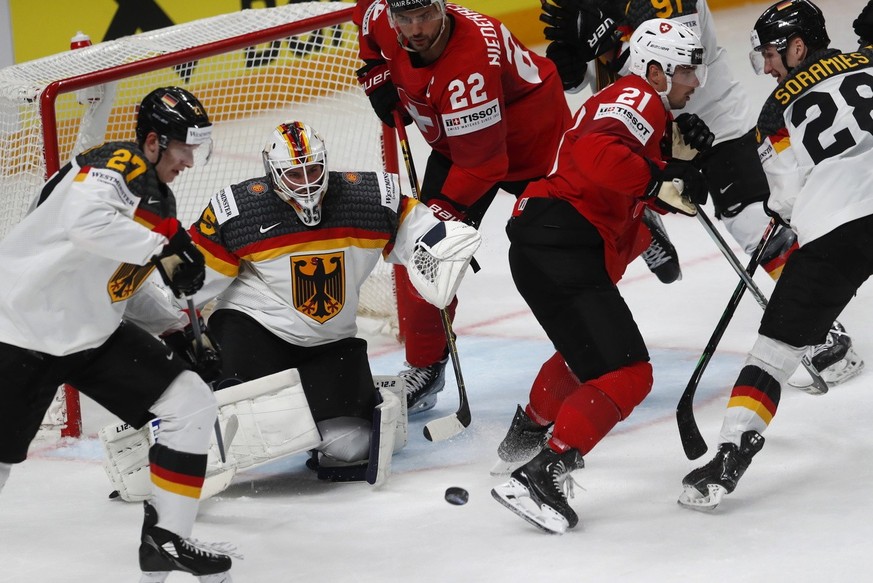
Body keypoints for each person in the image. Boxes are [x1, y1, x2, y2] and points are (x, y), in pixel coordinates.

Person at [541, 0, 863, 385]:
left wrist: (608, 42)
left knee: (754, 223)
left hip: (714, 123)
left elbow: (681, 55)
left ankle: (822, 327)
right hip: (643, 133)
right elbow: (591, 76)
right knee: (606, 204)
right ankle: (641, 222)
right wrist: (575, 60)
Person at [0, 87, 235, 580]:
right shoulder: (118, 162)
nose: (189, 161)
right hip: (19, 329)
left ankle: (165, 539)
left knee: (189, 403)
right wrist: (163, 245)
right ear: (153, 141)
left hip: (90, 335)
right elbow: (85, 222)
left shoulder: (157, 199)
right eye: (182, 149)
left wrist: (175, 329)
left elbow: (119, 282)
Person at [490, 18, 710, 534]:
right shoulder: (639, 96)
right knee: (630, 372)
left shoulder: (633, 102)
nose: (693, 82)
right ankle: (542, 472)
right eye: (684, 71)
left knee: (583, 357)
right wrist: (661, 176)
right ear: (654, 69)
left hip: (545, 242)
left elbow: (620, 172)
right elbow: (596, 158)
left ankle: (523, 440)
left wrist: (669, 164)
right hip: (562, 241)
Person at [183, 121, 480, 481]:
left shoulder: (369, 199)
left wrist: (445, 245)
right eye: (294, 173)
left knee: (351, 447)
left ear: (326, 163)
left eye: (312, 168)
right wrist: (167, 328)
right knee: (236, 423)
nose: (306, 181)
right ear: (273, 172)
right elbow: (191, 281)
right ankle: (192, 422)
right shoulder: (240, 210)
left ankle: (306, 414)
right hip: (255, 330)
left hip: (327, 344)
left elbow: (421, 230)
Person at [678, 0, 873, 511]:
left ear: (798, 47)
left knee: (774, 352)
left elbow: (784, 197)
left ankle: (728, 456)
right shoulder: (870, 60)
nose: (766, 66)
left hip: (840, 227)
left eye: (769, 53)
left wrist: (785, 213)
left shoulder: (773, 111)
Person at [354, 0, 573, 415]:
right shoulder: (387, 19)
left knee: (565, 244)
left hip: (532, 141)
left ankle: (642, 224)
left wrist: (437, 217)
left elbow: (486, 163)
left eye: (425, 17)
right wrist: (374, 71)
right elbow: (364, 13)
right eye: (406, 19)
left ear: (443, 8)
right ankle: (425, 365)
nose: (416, 29)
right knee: (422, 254)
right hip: (461, 145)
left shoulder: (468, 66)